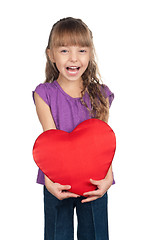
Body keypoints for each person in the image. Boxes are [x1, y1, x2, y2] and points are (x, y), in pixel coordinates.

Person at [32, 17, 115, 240]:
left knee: (95, 234)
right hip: (57, 180)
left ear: (90, 53)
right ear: (51, 55)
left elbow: (103, 142)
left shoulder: (101, 94)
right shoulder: (44, 94)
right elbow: (48, 140)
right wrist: (50, 181)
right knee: (57, 235)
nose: (74, 58)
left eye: (81, 50)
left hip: (93, 181)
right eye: (64, 50)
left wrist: (108, 177)